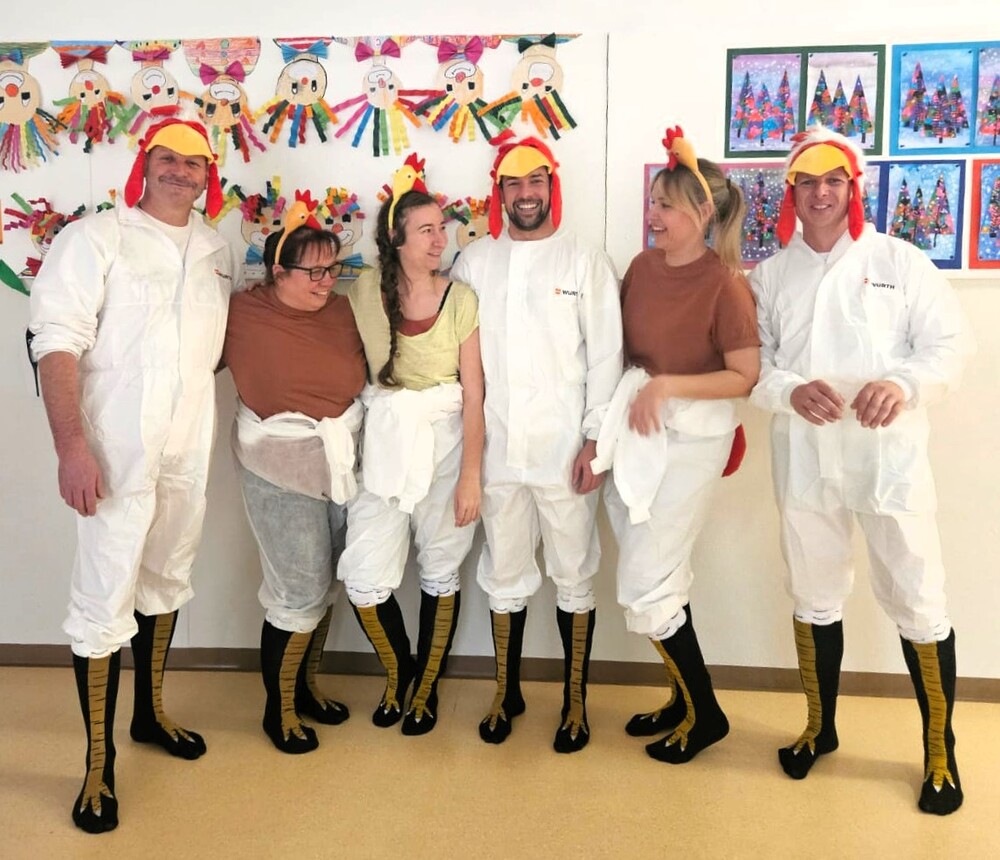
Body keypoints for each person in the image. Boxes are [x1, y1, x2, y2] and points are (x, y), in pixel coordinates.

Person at [749, 127, 974, 815]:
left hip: (888, 458)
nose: (821, 193)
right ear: (791, 191)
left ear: (853, 187)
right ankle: (819, 729)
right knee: (813, 591)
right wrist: (787, 390)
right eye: (808, 181)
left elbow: (948, 346)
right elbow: (752, 360)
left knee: (919, 597)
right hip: (806, 455)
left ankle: (939, 752)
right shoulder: (770, 275)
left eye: (834, 180)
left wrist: (902, 384)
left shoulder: (899, 261)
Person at [28, 118, 239, 833]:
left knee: (166, 578)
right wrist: (72, 448)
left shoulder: (216, 250)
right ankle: (98, 763)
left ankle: (149, 714)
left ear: (209, 174)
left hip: (186, 455)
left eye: (194, 162)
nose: (181, 171)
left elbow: (206, 350)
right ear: (145, 165)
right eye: (167, 158)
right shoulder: (95, 239)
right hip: (114, 456)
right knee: (103, 601)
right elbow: (56, 344)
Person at [590, 127, 760, 763]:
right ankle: (683, 700)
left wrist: (666, 387)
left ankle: (706, 713)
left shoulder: (726, 285)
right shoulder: (642, 268)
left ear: (702, 214)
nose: (652, 215)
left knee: (646, 580)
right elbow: (620, 350)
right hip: (638, 431)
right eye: (653, 202)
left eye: (665, 205)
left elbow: (745, 376)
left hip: (691, 443)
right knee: (661, 575)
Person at [451, 136, 623, 753]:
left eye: (535, 181)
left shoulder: (584, 261)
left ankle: (575, 701)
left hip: (565, 449)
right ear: (498, 191)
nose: (525, 194)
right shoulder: (474, 263)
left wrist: (596, 440)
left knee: (574, 573)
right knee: (504, 572)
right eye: (513, 184)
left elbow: (606, 356)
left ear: (552, 185)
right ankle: (507, 691)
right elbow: (462, 362)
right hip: (497, 450)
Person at [338, 155, 484, 736]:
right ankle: (400, 672)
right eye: (426, 230)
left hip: (446, 444)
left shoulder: (461, 298)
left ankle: (425, 688)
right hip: (386, 442)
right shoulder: (364, 289)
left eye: (442, 228)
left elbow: (474, 395)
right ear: (396, 239)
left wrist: (471, 475)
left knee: (441, 567)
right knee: (364, 577)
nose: (440, 239)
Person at [221, 210, 367, 755]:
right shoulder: (240, 313)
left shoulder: (345, 311)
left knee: (324, 584)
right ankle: (277, 710)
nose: (328, 282)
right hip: (276, 464)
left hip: (340, 462)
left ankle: (305, 690)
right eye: (315, 272)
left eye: (333, 269)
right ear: (277, 272)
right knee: (297, 590)